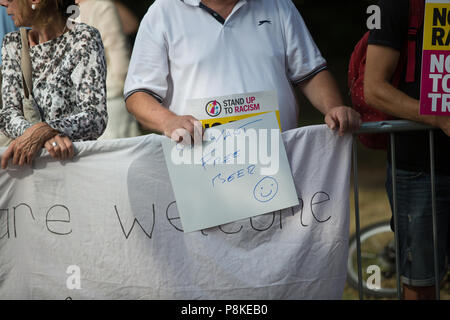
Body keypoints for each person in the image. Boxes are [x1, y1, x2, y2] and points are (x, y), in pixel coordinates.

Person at [124, 0, 361, 142]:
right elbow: (138, 95)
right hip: (197, 167)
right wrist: (169, 121)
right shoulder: (163, 11)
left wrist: (333, 108)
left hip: (278, 162)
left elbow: (311, 73)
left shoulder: (277, 5)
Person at [364, 0, 449, 300]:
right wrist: (438, 116)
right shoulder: (397, 4)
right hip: (420, 168)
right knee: (421, 280)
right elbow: (373, 87)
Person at [0, 0, 107, 169]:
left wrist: (45, 130)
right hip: (27, 171)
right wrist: (39, 133)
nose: (3, 3)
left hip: (73, 167)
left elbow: (95, 117)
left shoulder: (83, 38)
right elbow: (7, 115)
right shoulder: (12, 44)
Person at [76, 0, 140, 139]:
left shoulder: (61, 14)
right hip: (110, 99)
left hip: (79, 107)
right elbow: (119, 56)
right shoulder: (102, 7)